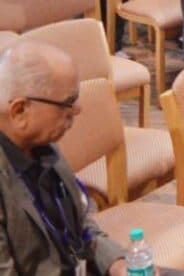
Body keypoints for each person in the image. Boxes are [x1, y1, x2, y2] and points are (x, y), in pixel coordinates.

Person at [0, 40, 155, 276]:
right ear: (20, 111)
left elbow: (81, 225)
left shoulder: (41, 146)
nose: (78, 109)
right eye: (67, 103)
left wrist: (117, 263)